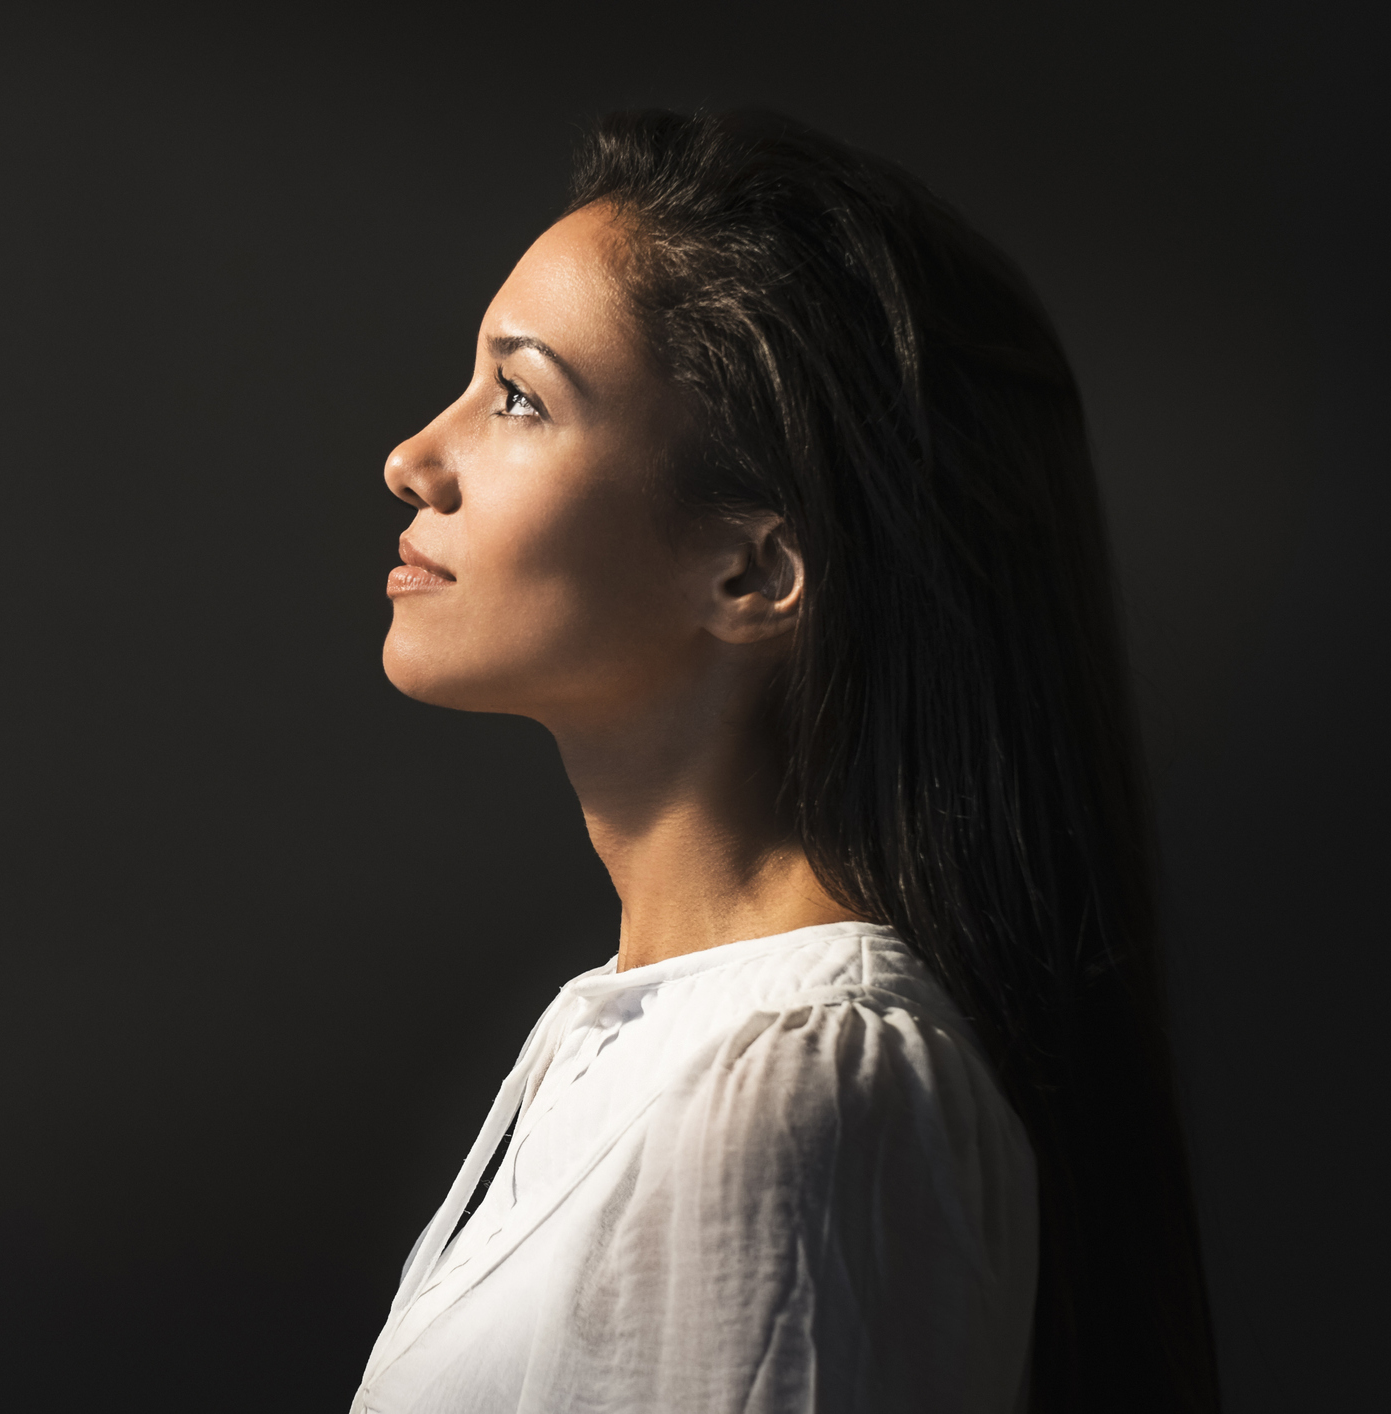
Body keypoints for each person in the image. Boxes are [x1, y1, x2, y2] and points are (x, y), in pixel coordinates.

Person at [351, 110, 1219, 1414]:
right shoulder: (644, 1045)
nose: (412, 457)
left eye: (518, 397)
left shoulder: (797, 1087)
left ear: (751, 567)